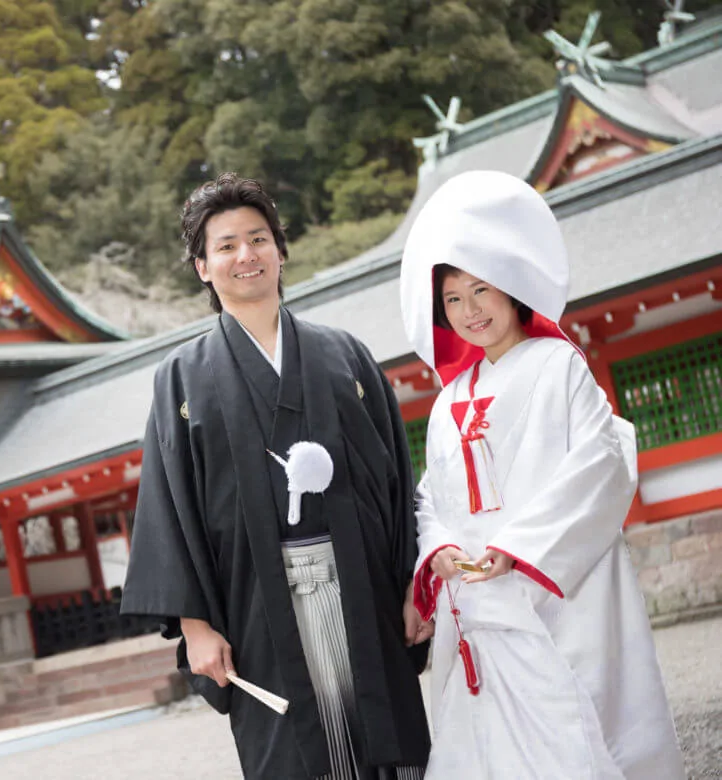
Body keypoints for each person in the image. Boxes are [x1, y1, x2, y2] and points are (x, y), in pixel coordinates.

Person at [121, 173, 431, 779]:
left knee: (384, 743)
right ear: (202, 268)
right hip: (257, 603)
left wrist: (411, 587)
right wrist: (195, 625)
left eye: (258, 239)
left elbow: (396, 477)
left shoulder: (345, 355)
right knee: (296, 753)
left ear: (281, 251)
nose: (246, 255)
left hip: (363, 585)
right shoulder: (182, 378)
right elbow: (169, 506)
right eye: (227, 245)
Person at [399, 170, 685, 779]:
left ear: (511, 287)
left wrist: (518, 548)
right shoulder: (450, 402)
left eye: (481, 290)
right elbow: (432, 496)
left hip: (550, 586)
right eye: (453, 299)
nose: (470, 310)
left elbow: (600, 464)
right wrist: (441, 548)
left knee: (575, 731)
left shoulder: (560, 365)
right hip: (475, 600)